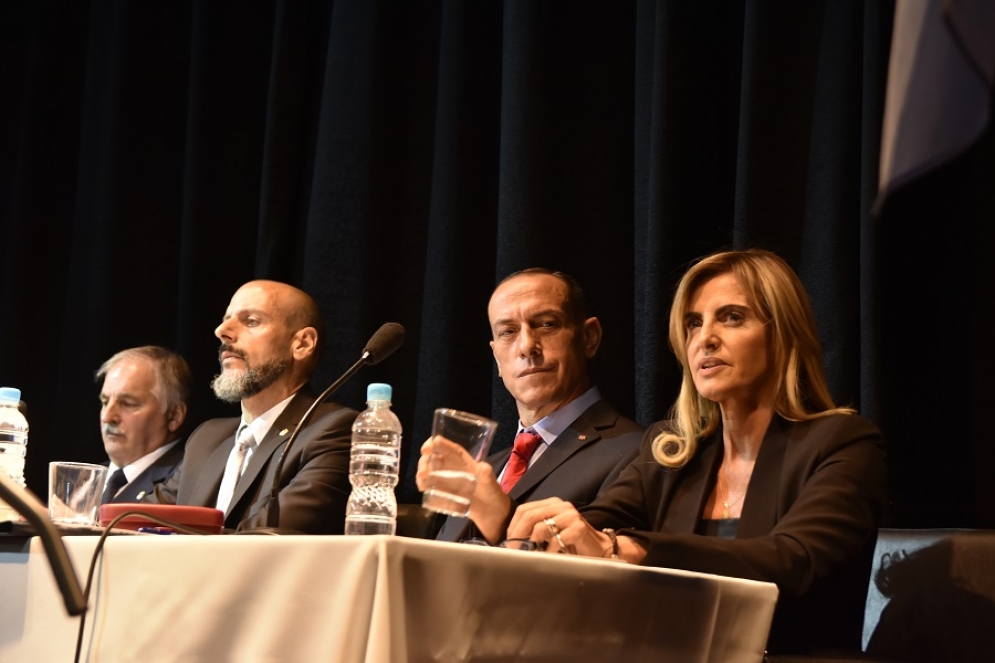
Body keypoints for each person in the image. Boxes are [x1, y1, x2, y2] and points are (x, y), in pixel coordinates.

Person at [505, 249, 888, 655]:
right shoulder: (670, 452)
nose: (705, 338)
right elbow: (594, 527)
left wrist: (629, 548)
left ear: (782, 333)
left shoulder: (844, 443)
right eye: (693, 323)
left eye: (732, 317)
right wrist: (555, 533)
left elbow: (792, 562)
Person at [422, 268, 644, 544]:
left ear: (589, 338)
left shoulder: (638, 453)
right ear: (496, 359)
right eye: (508, 332)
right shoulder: (485, 470)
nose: (527, 346)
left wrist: (498, 515)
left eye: (546, 324)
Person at [150, 279, 359, 534]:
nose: (221, 331)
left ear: (302, 344)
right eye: (226, 319)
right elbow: (138, 521)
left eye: (251, 321)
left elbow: (272, 537)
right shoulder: (207, 438)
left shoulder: (334, 431)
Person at [96, 346, 191, 504]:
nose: (107, 417)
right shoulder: (85, 481)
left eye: (128, 403)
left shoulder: (184, 485)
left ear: (174, 415)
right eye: (105, 402)